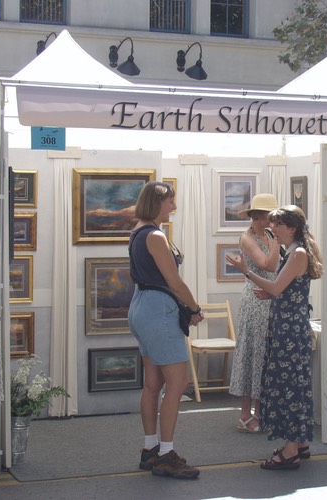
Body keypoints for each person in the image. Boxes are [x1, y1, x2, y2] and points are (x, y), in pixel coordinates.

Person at [226, 205, 323, 471]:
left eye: (278, 224)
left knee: (289, 387)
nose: (272, 228)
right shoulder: (294, 251)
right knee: (293, 384)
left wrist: (246, 271)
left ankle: (290, 451)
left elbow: (277, 286)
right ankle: (299, 443)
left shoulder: (297, 253)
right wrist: (271, 293)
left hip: (289, 329)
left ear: (292, 227)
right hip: (287, 325)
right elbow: (286, 288)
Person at [128, 181, 204, 479]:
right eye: (170, 201)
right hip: (158, 309)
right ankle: (166, 455)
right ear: (158, 202)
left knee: (153, 383)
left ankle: (150, 448)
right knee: (177, 383)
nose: (174, 206)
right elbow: (174, 282)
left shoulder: (137, 231)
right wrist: (194, 308)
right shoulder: (156, 236)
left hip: (141, 306)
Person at [229, 193, 281, 433]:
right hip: (255, 300)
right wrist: (278, 241)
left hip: (271, 298)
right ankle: (244, 414)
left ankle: (260, 412)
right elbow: (269, 265)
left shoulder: (269, 235)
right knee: (252, 353)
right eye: (271, 216)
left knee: (265, 355)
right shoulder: (247, 238)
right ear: (259, 216)